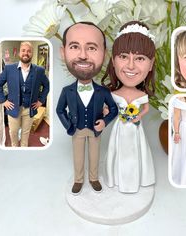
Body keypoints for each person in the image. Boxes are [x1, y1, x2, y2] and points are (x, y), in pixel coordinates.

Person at [56, 22, 118, 195]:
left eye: (91, 48)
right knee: (78, 157)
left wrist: (104, 122)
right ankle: (78, 180)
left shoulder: (103, 91)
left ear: (104, 55)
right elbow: (60, 110)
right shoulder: (67, 91)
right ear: (63, 52)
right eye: (75, 46)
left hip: (95, 131)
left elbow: (113, 109)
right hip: (76, 130)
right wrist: (69, 126)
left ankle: (94, 178)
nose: (83, 55)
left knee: (94, 156)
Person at [101, 21, 156, 193]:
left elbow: (145, 108)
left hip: (135, 130)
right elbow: (108, 109)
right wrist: (105, 112)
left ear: (151, 64)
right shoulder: (114, 94)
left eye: (140, 58)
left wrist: (140, 116)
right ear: (113, 60)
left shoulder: (141, 96)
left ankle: (135, 179)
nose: (131, 65)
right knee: (117, 153)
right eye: (124, 56)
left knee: (136, 154)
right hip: (120, 128)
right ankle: (117, 177)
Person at [0, 41, 50, 147]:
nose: (26, 53)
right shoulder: (9, 69)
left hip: (30, 108)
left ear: (32, 53)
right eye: (23, 50)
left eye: (29, 51)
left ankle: (24, 150)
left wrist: (41, 101)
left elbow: (47, 86)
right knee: (13, 133)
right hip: (13, 107)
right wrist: (3, 100)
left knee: (26, 134)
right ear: (19, 53)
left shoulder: (39, 70)